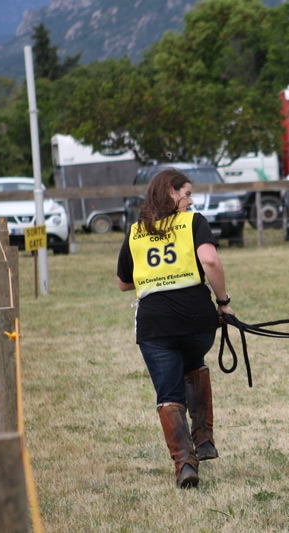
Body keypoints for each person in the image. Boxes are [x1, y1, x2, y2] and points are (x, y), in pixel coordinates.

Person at [116, 168, 235, 489]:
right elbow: (210, 260)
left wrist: (154, 276)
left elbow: (123, 283)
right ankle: (204, 439)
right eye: (187, 193)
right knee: (193, 364)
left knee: (169, 393)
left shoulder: (135, 231)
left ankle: (185, 464)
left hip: (155, 324)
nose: (190, 200)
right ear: (170, 192)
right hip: (197, 320)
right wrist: (223, 302)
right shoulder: (193, 222)